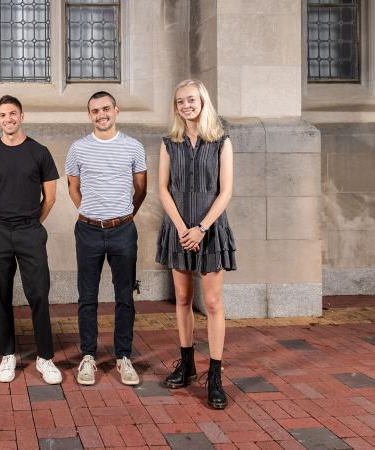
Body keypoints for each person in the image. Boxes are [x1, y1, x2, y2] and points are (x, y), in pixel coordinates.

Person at [156, 79, 236, 409]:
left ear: (202, 101)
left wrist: (201, 228)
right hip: (178, 229)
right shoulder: (169, 143)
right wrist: (181, 228)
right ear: (176, 107)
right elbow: (162, 189)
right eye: (180, 101)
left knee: (213, 304)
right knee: (183, 298)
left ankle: (214, 375)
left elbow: (226, 190)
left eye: (191, 99)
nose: (186, 105)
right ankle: (187, 364)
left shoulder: (221, 140)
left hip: (211, 230)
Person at [0, 95, 62, 385]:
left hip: (30, 231)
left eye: (13, 113)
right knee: (1, 294)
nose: (8, 119)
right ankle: (8, 354)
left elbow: (49, 197)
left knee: (38, 294)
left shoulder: (39, 152)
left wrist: (32, 223)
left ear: (21, 116)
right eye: (3, 114)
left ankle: (44, 357)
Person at [65, 91, 147, 387]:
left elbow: (141, 189)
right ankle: (88, 356)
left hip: (123, 230)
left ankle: (123, 356)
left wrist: (121, 216)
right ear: (89, 115)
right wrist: (91, 213)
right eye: (95, 110)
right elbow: (73, 188)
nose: (101, 114)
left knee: (124, 297)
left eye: (105, 109)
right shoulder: (78, 148)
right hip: (87, 230)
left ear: (116, 110)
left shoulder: (133, 147)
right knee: (87, 297)